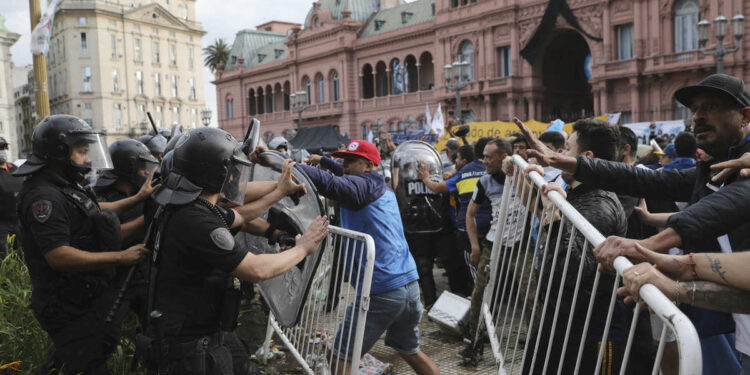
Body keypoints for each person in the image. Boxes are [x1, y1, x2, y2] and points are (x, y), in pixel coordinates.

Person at [510, 73, 750, 373]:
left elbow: (723, 207)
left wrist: (647, 246)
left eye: (711, 107)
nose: (699, 117)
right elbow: (643, 177)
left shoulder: (744, 167)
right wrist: (564, 162)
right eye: (695, 110)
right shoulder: (713, 167)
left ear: (744, 115)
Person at [143, 127, 327, 375]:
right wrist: (304, 248)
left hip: (197, 333)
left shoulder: (187, 204)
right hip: (189, 346)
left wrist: (279, 191)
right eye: (232, 171)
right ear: (215, 173)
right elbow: (256, 269)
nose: (235, 178)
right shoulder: (195, 220)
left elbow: (238, 216)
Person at [14, 115, 151, 374]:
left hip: (78, 297)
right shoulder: (45, 197)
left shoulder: (64, 187)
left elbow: (92, 208)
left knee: (78, 360)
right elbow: (59, 256)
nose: (88, 159)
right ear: (59, 151)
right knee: (87, 364)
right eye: (82, 151)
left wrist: (139, 199)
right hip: (63, 303)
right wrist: (119, 257)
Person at [290, 140, 438, 374]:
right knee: (409, 350)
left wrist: (288, 165)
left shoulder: (361, 189)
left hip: (382, 291)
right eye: (343, 161)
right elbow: (344, 175)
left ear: (369, 166)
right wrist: (326, 161)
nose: (345, 166)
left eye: (351, 161)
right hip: (408, 286)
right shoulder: (380, 185)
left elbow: (331, 183)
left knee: (340, 359)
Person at [461, 138, 514, 364]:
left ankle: (538, 347)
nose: (484, 161)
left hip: (521, 246)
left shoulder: (524, 176)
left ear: (503, 157)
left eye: (488, 157)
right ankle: (474, 345)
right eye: (483, 156)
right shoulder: (485, 182)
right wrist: (475, 246)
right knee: (479, 296)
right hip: (492, 245)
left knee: (531, 297)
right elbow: (470, 214)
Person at [420, 145, 482, 296]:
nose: (455, 162)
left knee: (470, 267)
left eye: (458, 159)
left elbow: (438, 188)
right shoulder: (483, 167)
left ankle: (475, 298)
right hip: (488, 226)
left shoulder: (463, 174)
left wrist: (425, 178)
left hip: (466, 227)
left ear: (464, 161)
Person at [0, 136, 23, 257]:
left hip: (19, 221)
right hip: (2, 223)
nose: (2, 151)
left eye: (3, 147)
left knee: (22, 254)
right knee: (6, 255)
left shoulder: (15, 169)